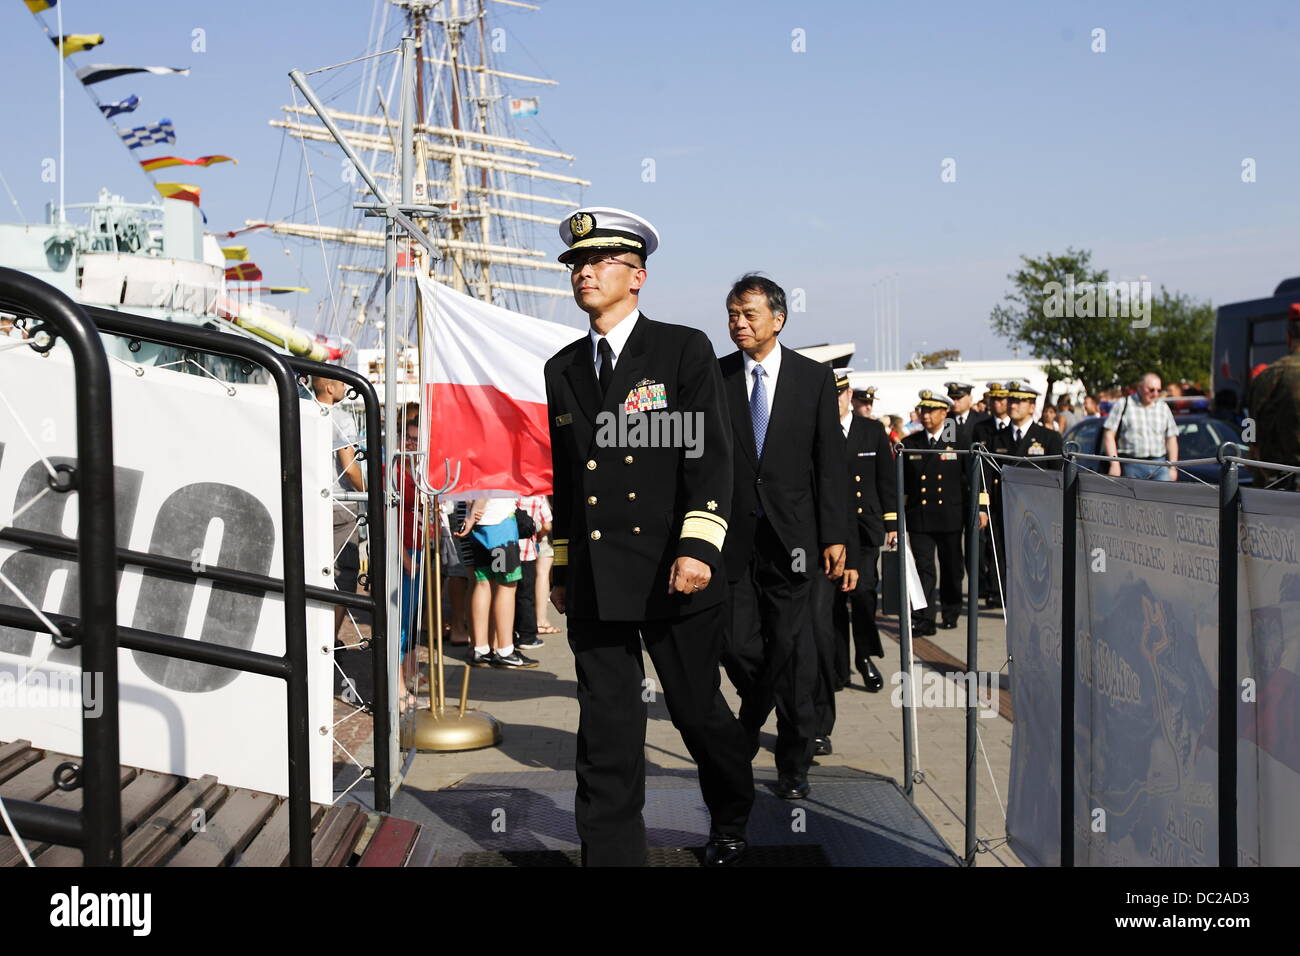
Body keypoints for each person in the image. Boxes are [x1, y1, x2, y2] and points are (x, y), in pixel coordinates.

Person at [544, 206, 753, 867]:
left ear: (636, 276)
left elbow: (709, 455)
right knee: (606, 725)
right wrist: (561, 563)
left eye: (598, 262)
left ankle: (732, 816)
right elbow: (569, 479)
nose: (583, 272)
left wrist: (698, 546)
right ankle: (610, 856)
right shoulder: (563, 367)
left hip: (674, 566)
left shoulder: (681, 349)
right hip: (600, 576)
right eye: (577, 263)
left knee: (698, 714)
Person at [718, 274, 848, 802]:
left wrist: (836, 534)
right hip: (732, 540)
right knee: (733, 641)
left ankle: (793, 763)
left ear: (779, 318)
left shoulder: (813, 379)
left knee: (795, 657)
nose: (739, 324)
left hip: (795, 539)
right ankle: (754, 715)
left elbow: (830, 462)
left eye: (749, 314)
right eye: (732, 314)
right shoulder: (715, 376)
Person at [825, 374, 896, 699]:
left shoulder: (871, 430)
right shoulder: (820, 429)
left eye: (839, 394)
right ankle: (838, 663)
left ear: (849, 394)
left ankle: (864, 655)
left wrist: (892, 523)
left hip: (865, 527)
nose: (835, 400)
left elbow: (885, 479)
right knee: (835, 600)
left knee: (865, 592)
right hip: (833, 529)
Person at [900, 391, 987, 636]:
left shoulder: (959, 440)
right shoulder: (910, 443)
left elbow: (974, 478)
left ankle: (950, 610)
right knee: (923, 569)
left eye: (932, 411)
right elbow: (903, 484)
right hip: (920, 516)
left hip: (949, 515)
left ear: (944, 413)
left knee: (951, 568)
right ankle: (923, 617)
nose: (926, 416)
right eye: (923, 411)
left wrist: (980, 507)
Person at [985, 381, 1063, 598]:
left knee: (1036, 561)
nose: (1013, 405)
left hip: (1038, 513)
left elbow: (1057, 477)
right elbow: (987, 476)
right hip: (1005, 509)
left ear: (1032, 406)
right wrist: (984, 508)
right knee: (1005, 556)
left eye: (1019, 401)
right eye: (1011, 400)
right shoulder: (996, 439)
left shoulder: (1049, 438)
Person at [313, 376, 365, 642]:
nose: (345, 387)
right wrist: (365, 491)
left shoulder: (301, 410)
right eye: (341, 383)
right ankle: (329, 639)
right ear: (329, 388)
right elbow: (349, 464)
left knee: (312, 573)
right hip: (340, 505)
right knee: (343, 576)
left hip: (310, 502)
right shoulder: (342, 418)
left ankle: (312, 636)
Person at [457, 497, 535, 668]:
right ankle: (505, 650)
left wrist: (471, 515)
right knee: (506, 584)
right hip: (499, 521)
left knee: (482, 582)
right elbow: (489, 484)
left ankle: (481, 648)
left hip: (480, 523)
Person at [1245, 305, 1300, 489]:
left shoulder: (1265, 377)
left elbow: (1249, 427)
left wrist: (1252, 448)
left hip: (1272, 490)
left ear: (1288, 337)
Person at [1101, 372, 1180, 480]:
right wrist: (1114, 464)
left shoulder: (1163, 407)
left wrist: (1172, 468)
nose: (1155, 393)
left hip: (1160, 466)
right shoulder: (1123, 404)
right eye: (1151, 389)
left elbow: (1171, 438)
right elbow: (1108, 434)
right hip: (1131, 465)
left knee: (1164, 497)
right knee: (1132, 497)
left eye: (1158, 390)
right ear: (1139, 387)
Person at [513, 494, 552, 650]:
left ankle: (506, 636)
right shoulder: (538, 495)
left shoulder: (511, 494)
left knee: (506, 593)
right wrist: (536, 535)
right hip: (528, 552)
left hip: (505, 551)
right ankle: (527, 636)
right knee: (526, 595)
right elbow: (547, 525)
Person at [945, 381, 987, 447]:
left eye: (959, 398)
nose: (954, 402)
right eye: (952, 398)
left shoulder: (983, 419)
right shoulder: (944, 420)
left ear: (970, 398)